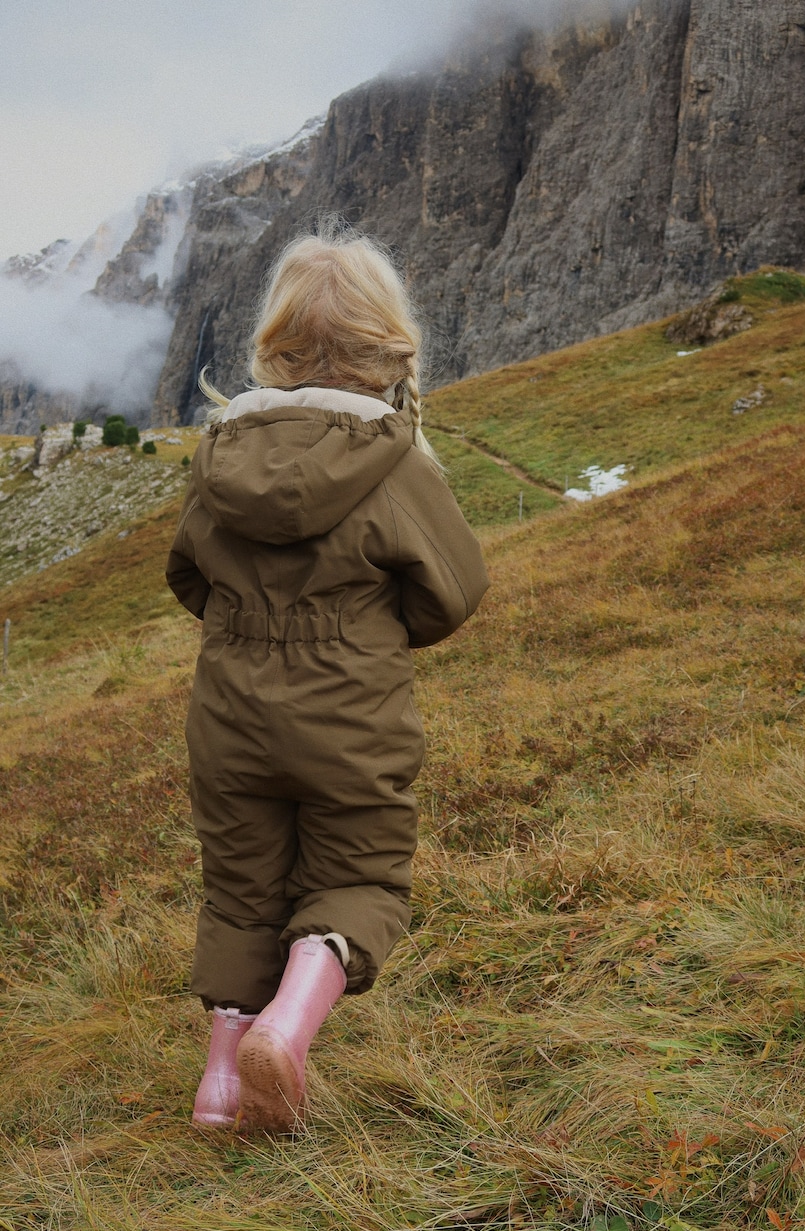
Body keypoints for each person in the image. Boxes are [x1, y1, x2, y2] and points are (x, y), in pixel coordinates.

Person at [166, 223, 489, 1133]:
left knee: (240, 888)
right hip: (352, 717)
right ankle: (289, 1029)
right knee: (360, 877)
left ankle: (222, 1087)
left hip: (227, 715)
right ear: (388, 344)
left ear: (273, 342)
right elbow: (454, 593)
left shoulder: (221, 451)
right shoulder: (390, 460)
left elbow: (186, 576)